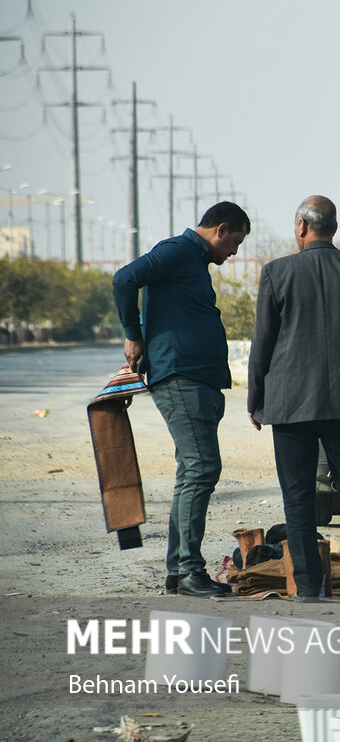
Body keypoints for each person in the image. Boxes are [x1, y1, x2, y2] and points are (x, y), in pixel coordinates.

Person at [246, 196, 340, 602]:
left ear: (301, 226)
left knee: (297, 497)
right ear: (333, 227)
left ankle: (310, 587)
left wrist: (255, 397)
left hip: (290, 404)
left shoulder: (277, 272)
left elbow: (263, 342)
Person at [113, 201, 250, 597]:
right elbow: (124, 279)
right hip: (179, 376)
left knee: (192, 472)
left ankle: (179, 571)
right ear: (220, 229)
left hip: (197, 380)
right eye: (235, 242)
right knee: (203, 467)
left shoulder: (193, 261)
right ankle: (189, 570)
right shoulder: (176, 250)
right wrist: (132, 333)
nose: (235, 252)